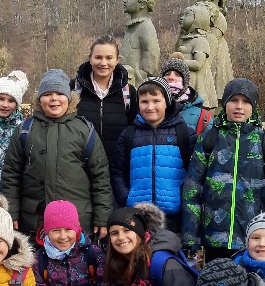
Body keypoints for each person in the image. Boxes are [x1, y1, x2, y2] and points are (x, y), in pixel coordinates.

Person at [182, 78, 265, 262]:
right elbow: (192, 189)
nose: (239, 106)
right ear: (225, 103)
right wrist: (191, 238)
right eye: (234, 100)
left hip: (255, 239)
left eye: (246, 101)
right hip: (214, 238)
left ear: (254, 106)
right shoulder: (209, 140)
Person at [0, 69, 113, 240]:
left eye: (60, 93)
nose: (54, 98)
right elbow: (11, 175)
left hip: (76, 223)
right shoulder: (25, 130)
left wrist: (102, 217)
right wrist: (11, 212)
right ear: (39, 99)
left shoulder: (84, 130)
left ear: (69, 98)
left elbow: (100, 177)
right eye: (47, 94)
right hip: (34, 223)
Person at [109, 77, 195, 235]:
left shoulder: (184, 133)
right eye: (144, 101)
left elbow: (194, 172)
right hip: (138, 215)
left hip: (174, 217)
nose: (150, 107)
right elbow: (117, 171)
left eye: (156, 101)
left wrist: (183, 198)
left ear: (167, 102)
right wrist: (126, 198)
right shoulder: (129, 134)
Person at [73, 34, 135, 159]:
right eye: (98, 57)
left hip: (118, 164)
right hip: (81, 165)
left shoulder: (128, 92)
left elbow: (134, 130)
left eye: (109, 58)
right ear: (90, 59)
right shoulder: (74, 89)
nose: (103, 63)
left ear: (117, 60)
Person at [160, 55, 212, 136]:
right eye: (167, 74)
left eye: (177, 74)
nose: (171, 77)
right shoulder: (150, 109)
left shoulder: (202, 117)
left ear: (185, 81)